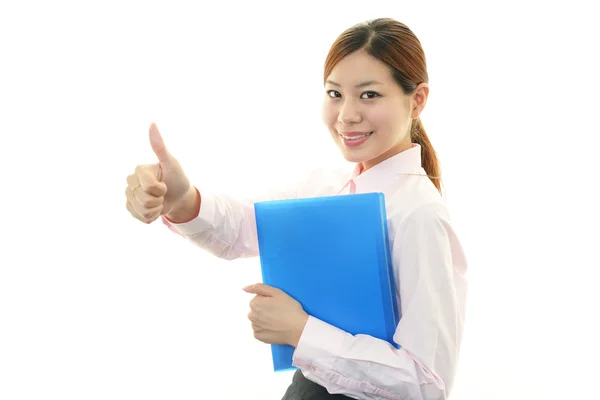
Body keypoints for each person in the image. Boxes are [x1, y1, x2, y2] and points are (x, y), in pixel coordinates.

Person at [125, 17, 468, 400]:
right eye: (335, 93)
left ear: (417, 99)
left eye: (369, 95)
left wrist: (302, 332)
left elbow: (425, 384)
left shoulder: (419, 214)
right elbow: (241, 227)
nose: (346, 115)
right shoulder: (326, 185)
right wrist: (183, 198)